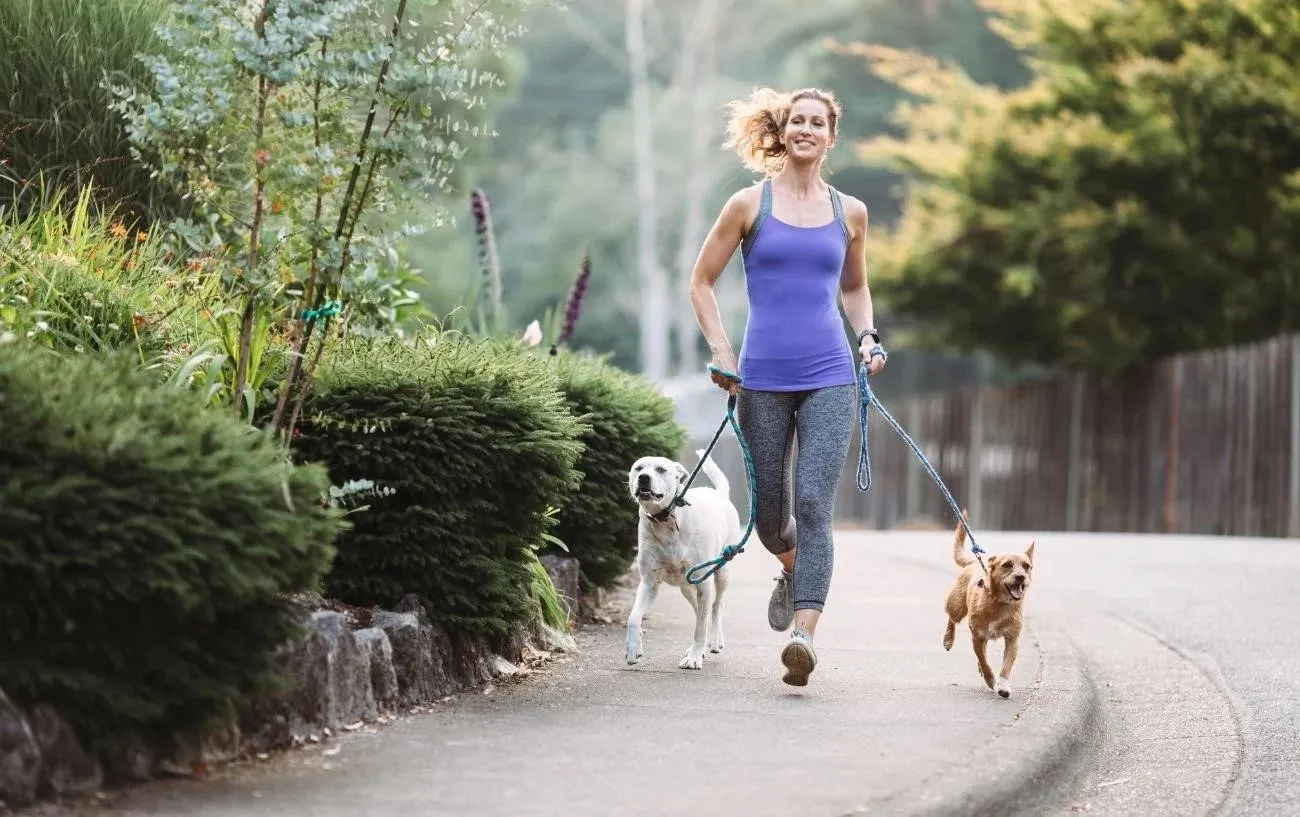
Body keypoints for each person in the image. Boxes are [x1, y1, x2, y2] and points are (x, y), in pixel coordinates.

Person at [687, 86, 887, 687]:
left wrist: (868, 336)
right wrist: (722, 350)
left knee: (813, 507)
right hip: (762, 378)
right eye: (796, 120)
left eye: (817, 122)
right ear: (784, 131)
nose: (805, 129)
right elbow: (701, 282)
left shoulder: (850, 212)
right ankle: (791, 567)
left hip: (830, 374)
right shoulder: (749, 205)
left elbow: (854, 288)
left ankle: (804, 635)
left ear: (831, 136)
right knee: (771, 519)